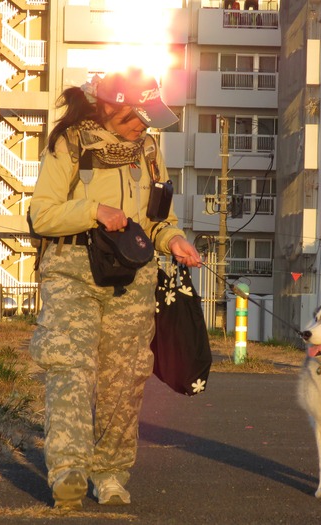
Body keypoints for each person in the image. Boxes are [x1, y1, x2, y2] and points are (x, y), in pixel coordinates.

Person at [28, 68, 202, 509]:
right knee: (72, 368)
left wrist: (174, 239)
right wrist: (94, 211)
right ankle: (68, 471)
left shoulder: (147, 150)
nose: (143, 126)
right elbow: (42, 216)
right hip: (72, 270)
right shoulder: (69, 143)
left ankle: (110, 473)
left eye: (149, 118)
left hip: (133, 277)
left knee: (125, 380)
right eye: (136, 117)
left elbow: (159, 219)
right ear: (110, 105)